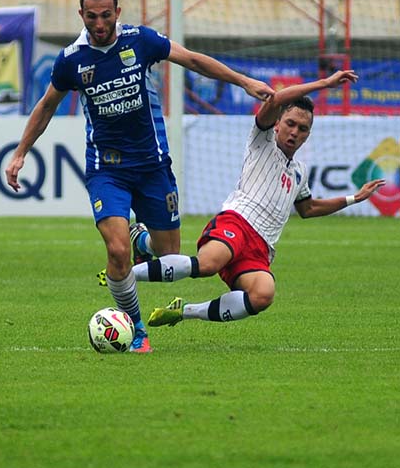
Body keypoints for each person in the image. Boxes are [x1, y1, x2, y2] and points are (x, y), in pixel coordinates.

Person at [4, 0, 274, 353]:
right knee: (116, 253)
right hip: (107, 169)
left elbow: (192, 59)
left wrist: (243, 81)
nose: (100, 24)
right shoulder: (71, 60)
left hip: (153, 167)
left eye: (106, 16)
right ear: (81, 15)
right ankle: (136, 327)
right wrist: (21, 152)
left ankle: (140, 238)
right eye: (92, 17)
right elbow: (47, 104)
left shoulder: (140, 41)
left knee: (169, 255)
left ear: (118, 12)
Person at [134, 70, 385, 327]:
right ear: (278, 123)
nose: (294, 132)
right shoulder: (262, 140)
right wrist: (325, 83)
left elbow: (308, 208)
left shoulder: (299, 171)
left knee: (263, 294)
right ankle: (125, 276)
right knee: (209, 264)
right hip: (237, 222)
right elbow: (275, 101)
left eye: (302, 129)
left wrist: (354, 198)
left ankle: (184, 311)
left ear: (308, 135)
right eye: (290, 124)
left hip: (261, 248)